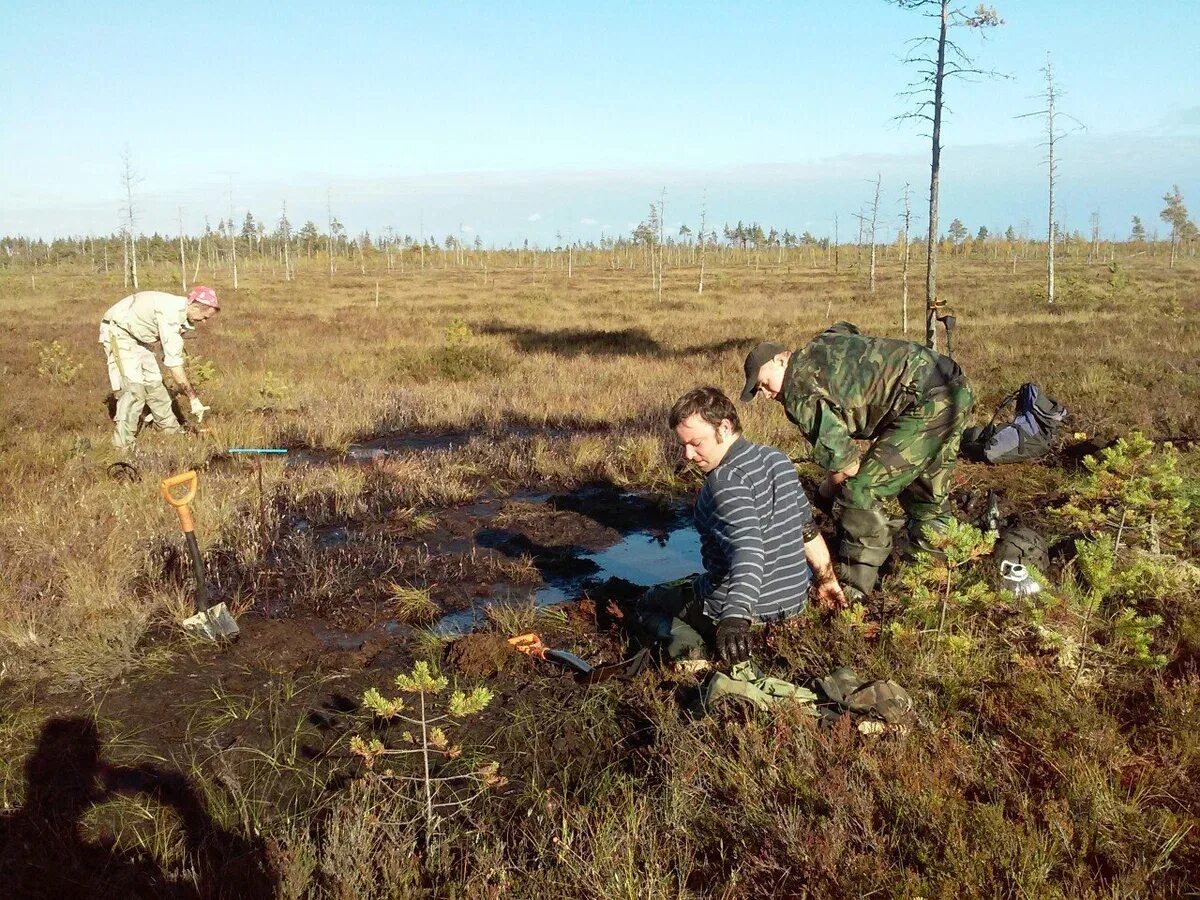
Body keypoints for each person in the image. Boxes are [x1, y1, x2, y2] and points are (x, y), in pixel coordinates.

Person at [740, 322, 973, 601]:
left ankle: (852, 596)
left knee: (860, 491)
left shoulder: (797, 390)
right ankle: (929, 585)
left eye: (764, 383)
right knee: (926, 497)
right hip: (954, 386)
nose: (766, 394)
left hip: (926, 402)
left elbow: (846, 465)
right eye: (759, 391)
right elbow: (845, 329)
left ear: (782, 359)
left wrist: (829, 499)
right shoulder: (820, 344)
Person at [635, 386, 845, 666]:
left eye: (696, 442)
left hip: (746, 614)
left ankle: (691, 656)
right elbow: (807, 530)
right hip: (793, 606)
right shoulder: (777, 459)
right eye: (682, 444)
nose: (687, 454)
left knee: (650, 602)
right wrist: (827, 580)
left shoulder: (724, 481)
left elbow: (747, 552)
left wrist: (734, 620)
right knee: (695, 582)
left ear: (724, 426)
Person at [98, 286, 219, 450]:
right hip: (119, 331)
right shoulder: (170, 314)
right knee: (133, 391)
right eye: (204, 317)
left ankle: (171, 432)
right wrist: (193, 398)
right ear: (195, 306)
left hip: (140, 338)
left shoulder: (182, 314)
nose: (204, 322)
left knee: (156, 387)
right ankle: (123, 446)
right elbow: (174, 364)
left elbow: (168, 350)